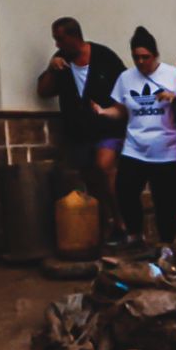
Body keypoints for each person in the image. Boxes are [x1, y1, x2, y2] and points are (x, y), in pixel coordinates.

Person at [34, 16, 126, 238]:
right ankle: (106, 221)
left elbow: (125, 84)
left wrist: (117, 111)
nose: (57, 44)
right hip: (79, 130)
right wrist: (51, 69)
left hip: (107, 126)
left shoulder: (104, 57)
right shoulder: (60, 61)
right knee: (91, 178)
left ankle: (122, 220)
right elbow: (44, 91)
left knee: (104, 167)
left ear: (75, 37)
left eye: (60, 39)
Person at [106, 26, 176, 244]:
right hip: (135, 147)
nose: (141, 62)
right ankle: (135, 234)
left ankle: (167, 243)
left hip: (167, 149)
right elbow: (121, 109)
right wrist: (103, 112)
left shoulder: (173, 75)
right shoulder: (126, 78)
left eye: (146, 57)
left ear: (155, 55)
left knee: (165, 201)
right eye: (136, 57)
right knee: (125, 191)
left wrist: (174, 97)